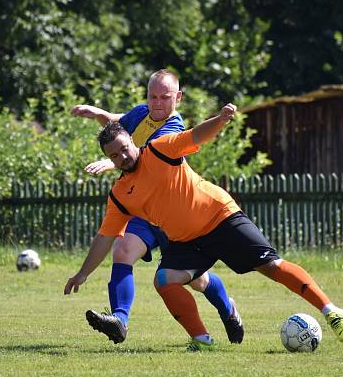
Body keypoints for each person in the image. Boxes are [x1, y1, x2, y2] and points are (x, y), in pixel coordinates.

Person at [64, 103, 343, 351]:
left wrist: (220, 119)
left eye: (124, 149)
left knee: (271, 267)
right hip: (187, 241)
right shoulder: (120, 193)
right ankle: (202, 340)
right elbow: (105, 237)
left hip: (221, 218)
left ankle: (331, 311)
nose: (122, 157)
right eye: (114, 155)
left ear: (132, 143)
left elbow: (195, 136)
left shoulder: (160, 149)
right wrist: (82, 274)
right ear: (110, 159)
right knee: (164, 280)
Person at [69, 69, 243, 345]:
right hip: (142, 207)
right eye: (153, 96)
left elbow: (140, 156)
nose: (158, 103)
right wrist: (97, 112)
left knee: (197, 280)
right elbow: (117, 126)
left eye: (165, 97)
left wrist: (112, 162)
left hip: (174, 211)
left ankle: (227, 308)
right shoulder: (142, 112)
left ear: (178, 99)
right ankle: (119, 320)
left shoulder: (174, 126)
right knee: (123, 250)